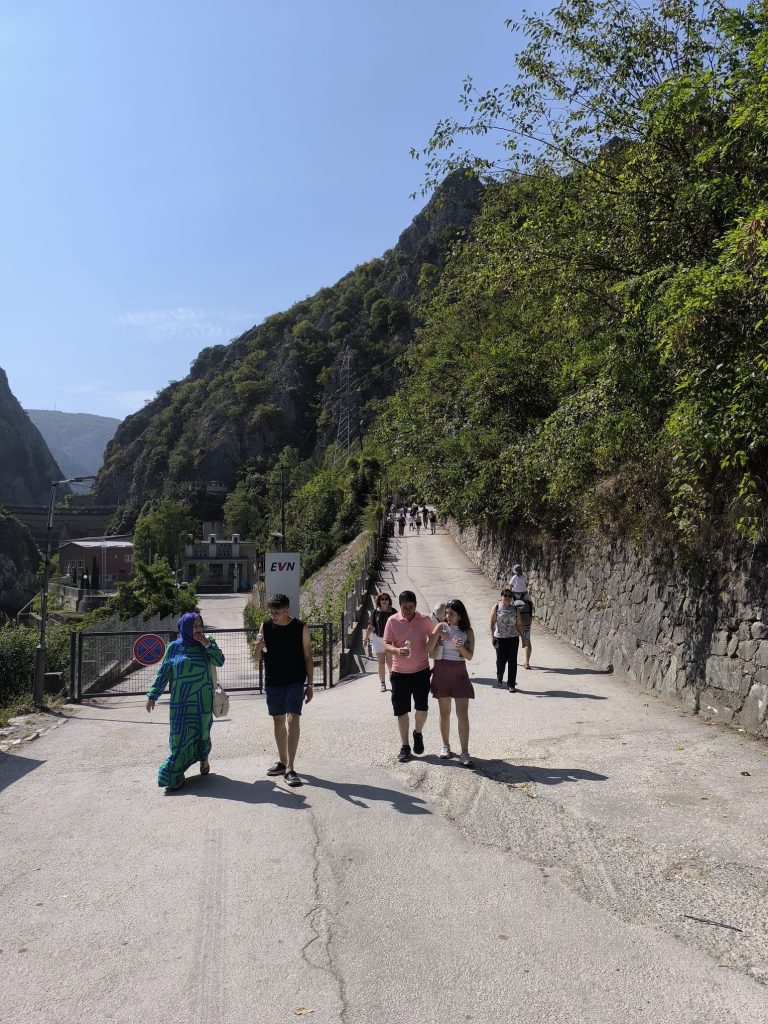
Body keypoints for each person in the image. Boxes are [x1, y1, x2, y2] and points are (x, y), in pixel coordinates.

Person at [146, 612, 225, 791]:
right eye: (194, 626)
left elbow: (220, 661)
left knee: (202, 733)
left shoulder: (208, 643)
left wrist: (207, 644)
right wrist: (153, 695)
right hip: (180, 704)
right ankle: (175, 774)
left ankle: (203, 758)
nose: (198, 629)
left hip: (202, 701)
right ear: (185, 628)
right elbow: (164, 672)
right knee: (178, 738)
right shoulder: (174, 647)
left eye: (200, 625)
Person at [253, 593, 314, 787]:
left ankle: (291, 768)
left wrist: (310, 684)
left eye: (277, 612)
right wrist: (257, 647)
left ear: (287, 610)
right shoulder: (265, 627)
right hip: (273, 681)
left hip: (295, 680)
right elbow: (257, 657)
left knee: (292, 719)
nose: (273, 615)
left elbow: (308, 656)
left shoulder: (300, 627)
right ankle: (282, 761)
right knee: (278, 721)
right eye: (271, 612)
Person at [383, 590, 437, 762]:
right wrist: (397, 651)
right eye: (404, 607)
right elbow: (385, 645)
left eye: (411, 607)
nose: (407, 611)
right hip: (399, 673)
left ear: (416, 605)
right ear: (399, 606)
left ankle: (418, 733)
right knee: (402, 711)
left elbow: (433, 639)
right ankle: (405, 746)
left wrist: (437, 639)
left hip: (421, 671)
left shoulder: (425, 620)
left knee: (422, 709)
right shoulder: (392, 621)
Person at [430, 598, 475, 765]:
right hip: (441, 670)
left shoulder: (468, 632)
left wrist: (460, 647)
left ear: (460, 615)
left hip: (459, 672)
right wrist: (437, 635)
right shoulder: (441, 626)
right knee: (444, 712)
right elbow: (428, 649)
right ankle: (445, 746)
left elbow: (469, 656)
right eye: (446, 613)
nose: (448, 617)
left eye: (452, 614)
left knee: (462, 714)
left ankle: (464, 752)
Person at [489, 589, 523, 690]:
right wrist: (492, 636)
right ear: (501, 596)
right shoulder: (496, 607)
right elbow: (491, 623)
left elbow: (520, 624)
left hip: (513, 638)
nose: (507, 598)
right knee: (500, 662)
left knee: (513, 662)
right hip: (500, 638)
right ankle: (499, 678)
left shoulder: (515, 609)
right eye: (505, 595)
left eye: (509, 596)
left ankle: (511, 684)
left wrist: (524, 639)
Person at [364, 592, 396, 692]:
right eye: (382, 599)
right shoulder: (375, 612)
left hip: (390, 640)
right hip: (378, 639)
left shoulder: (393, 611)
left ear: (389, 600)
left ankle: (393, 682)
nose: (384, 601)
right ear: (379, 601)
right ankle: (382, 684)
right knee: (381, 662)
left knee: (390, 662)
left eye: (386, 599)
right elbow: (370, 627)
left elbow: (399, 624)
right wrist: (365, 639)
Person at [515, 593, 535, 670]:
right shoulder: (527, 597)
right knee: (527, 641)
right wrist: (529, 623)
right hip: (526, 624)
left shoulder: (510, 596)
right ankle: (527, 662)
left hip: (515, 625)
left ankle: (512, 660)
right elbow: (531, 611)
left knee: (513, 642)